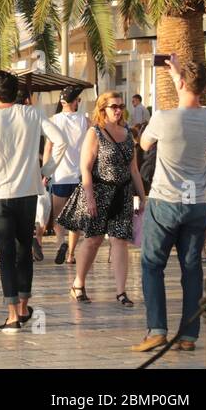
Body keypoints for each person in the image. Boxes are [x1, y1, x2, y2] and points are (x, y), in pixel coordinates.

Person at [0, 70, 65, 333]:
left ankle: (12, 314)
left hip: (0, 193)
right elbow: (61, 141)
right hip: (28, 191)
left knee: (6, 254)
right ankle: (23, 307)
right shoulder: (32, 114)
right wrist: (45, 171)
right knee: (24, 249)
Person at [135, 55, 206, 353]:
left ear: (180, 83)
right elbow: (193, 96)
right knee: (191, 268)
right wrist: (179, 75)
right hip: (197, 203)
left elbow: (144, 145)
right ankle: (188, 336)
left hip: (165, 201)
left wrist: (174, 77)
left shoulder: (162, 118)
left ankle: (157, 329)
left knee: (152, 264)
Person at [55, 91, 145, 306]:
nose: (118, 110)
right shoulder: (95, 132)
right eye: (114, 106)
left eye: (121, 106)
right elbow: (85, 168)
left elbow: (133, 169)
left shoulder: (127, 133)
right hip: (99, 191)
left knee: (120, 241)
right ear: (102, 108)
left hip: (122, 193)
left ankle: (121, 292)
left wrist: (141, 196)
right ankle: (78, 284)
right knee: (93, 240)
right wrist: (90, 197)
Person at [46, 86, 89, 266]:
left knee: (58, 216)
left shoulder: (53, 120)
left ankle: (61, 242)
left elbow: (48, 147)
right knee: (75, 219)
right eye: (78, 100)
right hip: (79, 175)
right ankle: (71, 254)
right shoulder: (85, 121)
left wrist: (45, 172)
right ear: (74, 101)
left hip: (59, 175)